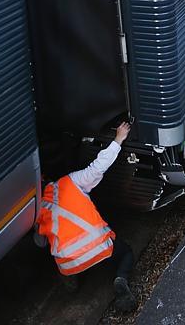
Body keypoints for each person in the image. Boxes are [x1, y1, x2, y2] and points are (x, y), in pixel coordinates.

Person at [34, 122, 137, 312]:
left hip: (68, 260)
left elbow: (40, 243)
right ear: (47, 177)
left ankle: (71, 280)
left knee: (61, 255)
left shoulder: (37, 209)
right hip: (100, 247)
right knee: (127, 253)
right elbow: (97, 168)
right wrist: (118, 139)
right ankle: (121, 279)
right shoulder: (70, 182)